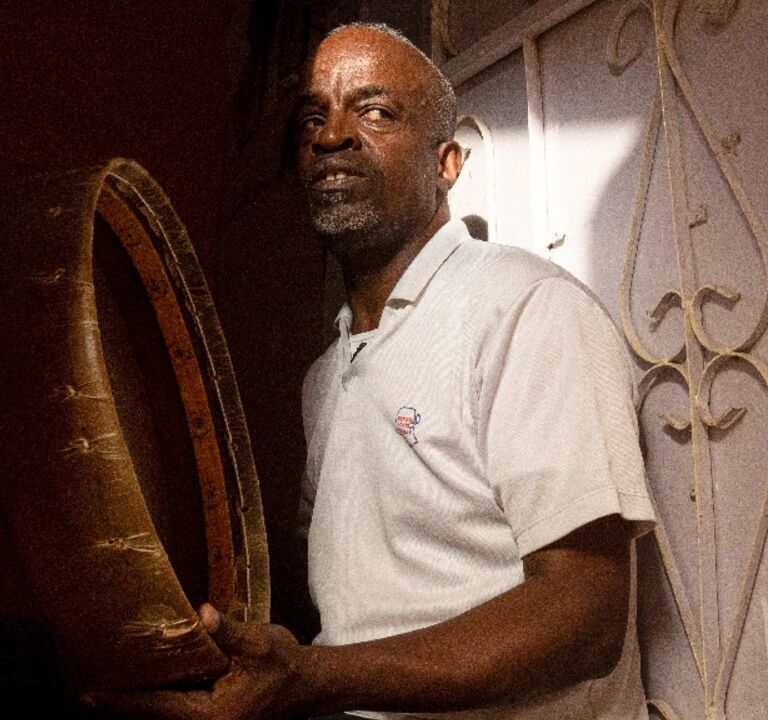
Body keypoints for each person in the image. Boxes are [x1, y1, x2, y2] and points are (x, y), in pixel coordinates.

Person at [94, 22, 656, 720]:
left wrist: (315, 677)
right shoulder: (324, 378)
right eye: (312, 118)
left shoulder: (527, 311)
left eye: (375, 111)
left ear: (447, 162)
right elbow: (353, 604)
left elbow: (586, 617)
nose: (332, 136)